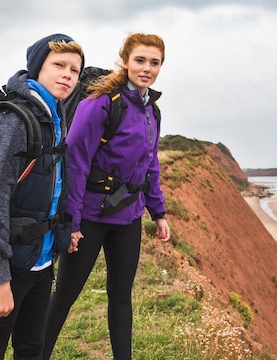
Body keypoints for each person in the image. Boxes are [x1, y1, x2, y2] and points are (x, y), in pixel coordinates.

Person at [43, 33, 171, 360]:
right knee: (65, 296)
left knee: (121, 297)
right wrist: (71, 222)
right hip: (89, 217)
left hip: (128, 217)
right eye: (140, 60)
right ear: (125, 61)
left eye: (154, 62)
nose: (146, 68)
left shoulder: (151, 112)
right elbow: (76, 163)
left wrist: (158, 212)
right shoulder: (100, 103)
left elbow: (150, 165)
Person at [0, 33, 84, 360]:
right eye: (58, 65)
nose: (67, 75)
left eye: (74, 70)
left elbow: (56, 184)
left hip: (41, 261)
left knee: (32, 349)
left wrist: (65, 230)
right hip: (10, 265)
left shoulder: (56, 117)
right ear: (36, 68)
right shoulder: (14, 120)